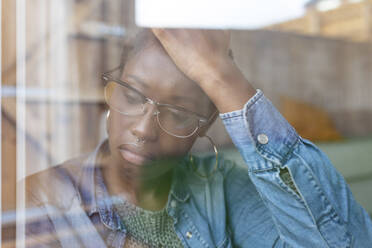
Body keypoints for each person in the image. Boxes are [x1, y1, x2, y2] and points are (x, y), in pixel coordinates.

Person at [24, 28, 372, 248]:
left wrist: (222, 77)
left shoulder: (221, 188)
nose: (144, 130)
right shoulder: (41, 202)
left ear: (204, 127)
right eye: (132, 96)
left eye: (178, 113)